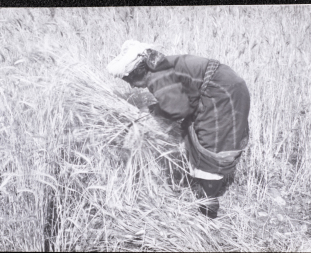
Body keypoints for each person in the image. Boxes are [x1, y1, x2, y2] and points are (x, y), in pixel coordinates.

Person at [107, 40, 250, 219]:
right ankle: (207, 188)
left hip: (221, 92)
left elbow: (179, 109)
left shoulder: (156, 77)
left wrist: (153, 110)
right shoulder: (158, 67)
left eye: (129, 80)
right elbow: (181, 99)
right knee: (208, 135)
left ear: (138, 71)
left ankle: (208, 204)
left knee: (212, 142)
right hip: (227, 85)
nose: (132, 86)